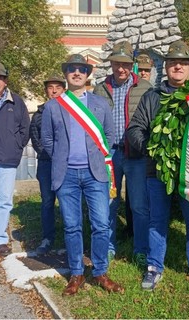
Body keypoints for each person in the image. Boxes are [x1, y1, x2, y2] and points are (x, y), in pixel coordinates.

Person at [127, 40, 189, 291]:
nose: (178, 67)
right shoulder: (152, 97)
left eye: (183, 63)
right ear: (167, 66)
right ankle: (154, 268)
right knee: (157, 220)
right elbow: (134, 129)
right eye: (173, 62)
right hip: (157, 170)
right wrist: (151, 147)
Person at [41, 54, 123, 296]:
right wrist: (61, 157)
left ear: (87, 74)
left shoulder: (100, 104)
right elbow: (47, 139)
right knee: (72, 225)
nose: (76, 73)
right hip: (65, 175)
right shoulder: (53, 106)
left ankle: (99, 272)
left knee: (100, 224)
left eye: (81, 69)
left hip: (95, 174)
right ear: (66, 74)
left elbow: (108, 135)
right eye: (72, 69)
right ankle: (76, 272)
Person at [93, 41, 152, 267]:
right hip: (110, 156)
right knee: (109, 202)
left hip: (136, 155)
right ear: (111, 64)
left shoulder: (144, 87)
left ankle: (141, 249)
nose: (121, 69)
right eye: (117, 64)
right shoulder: (100, 89)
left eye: (125, 64)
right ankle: (108, 246)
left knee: (138, 204)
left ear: (132, 66)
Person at [0, 61, 30, 257]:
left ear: (5, 81)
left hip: (8, 159)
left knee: (5, 200)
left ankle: (0, 239)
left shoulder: (17, 102)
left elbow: (25, 129)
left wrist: (16, 146)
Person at [30, 75, 66, 255]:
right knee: (47, 201)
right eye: (50, 87)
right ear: (46, 91)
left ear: (63, 90)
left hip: (67, 164)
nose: (53, 91)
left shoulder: (71, 111)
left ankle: (70, 238)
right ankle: (48, 237)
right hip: (46, 163)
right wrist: (52, 154)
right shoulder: (39, 114)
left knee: (68, 201)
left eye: (57, 87)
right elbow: (36, 138)